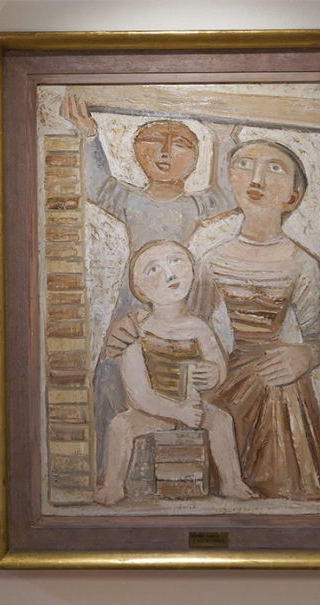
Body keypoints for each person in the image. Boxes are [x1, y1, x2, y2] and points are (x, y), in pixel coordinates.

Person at [59, 95, 236, 472]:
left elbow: (224, 195)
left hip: (178, 296)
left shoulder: (194, 205)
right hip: (136, 296)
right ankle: (109, 469)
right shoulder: (129, 200)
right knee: (116, 373)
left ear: (195, 158)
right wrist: (89, 135)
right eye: (153, 140)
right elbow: (97, 185)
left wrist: (222, 138)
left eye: (181, 143)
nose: (165, 152)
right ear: (137, 150)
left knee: (185, 375)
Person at [190, 139, 320, 500]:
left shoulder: (301, 263)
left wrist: (306, 355)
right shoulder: (212, 261)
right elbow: (191, 329)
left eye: (274, 169)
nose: (256, 179)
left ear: (293, 197)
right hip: (228, 376)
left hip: (278, 378)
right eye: (244, 165)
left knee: (278, 391)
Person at [94, 240, 254, 505]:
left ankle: (231, 482)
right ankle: (113, 486)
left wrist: (213, 374)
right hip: (151, 412)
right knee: (120, 426)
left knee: (221, 421)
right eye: (153, 269)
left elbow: (218, 367)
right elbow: (138, 394)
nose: (169, 274)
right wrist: (177, 411)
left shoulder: (199, 327)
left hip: (192, 406)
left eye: (176, 260)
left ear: (192, 268)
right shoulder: (137, 331)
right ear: (139, 290)